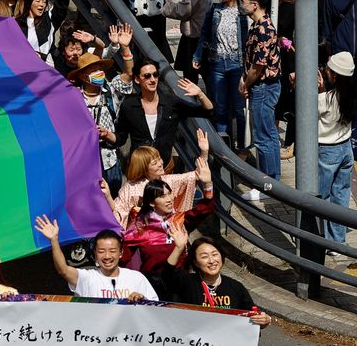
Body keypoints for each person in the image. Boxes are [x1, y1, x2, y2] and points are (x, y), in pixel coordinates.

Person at [120, 161, 214, 295]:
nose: (169, 199)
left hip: (181, 281)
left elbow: (205, 209)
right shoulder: (139, 227)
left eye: (169, 194)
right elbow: (122, 259)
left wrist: (208, 184)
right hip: (153, 285)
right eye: (162, 196)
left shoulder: (179, 220)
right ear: (152, 202)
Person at [67, 28, 135, 194]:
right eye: (94, 70)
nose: (100, 73)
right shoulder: (73, 98)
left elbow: (128, 73)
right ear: (83, 76)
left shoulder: (111, 90)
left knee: (112, 195)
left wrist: (125, 48)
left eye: (100, 69)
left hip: (109, 158)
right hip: (83, 160)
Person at [162, 231, 272, 326]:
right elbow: (166, 276)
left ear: (222, 256)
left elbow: (252, 319)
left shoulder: (236, 287)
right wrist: (179, 248)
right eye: (204, 257)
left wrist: (264, 321)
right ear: (195, 262)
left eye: (215, 254)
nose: (211, 260)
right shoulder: (188, 282)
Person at [111, 61, 212, 165]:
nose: (152, 80)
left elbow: (208, 112)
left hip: (164, 166)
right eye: (147, 76)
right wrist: (107, 135)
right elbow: (121, 137)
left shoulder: (171, 103)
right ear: (137, 79)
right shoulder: (129, 105)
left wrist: (200, 94)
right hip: (139, 166)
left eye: (155, 75)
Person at [35, 219, 159, 301]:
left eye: (112, 251)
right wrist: (54, 240)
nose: (107, 256)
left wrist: (142, 300)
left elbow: (155, 309)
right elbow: (63, 270)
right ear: (95, 254)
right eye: (101, 251)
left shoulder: (136, 278)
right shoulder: (87, 277)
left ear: (121, 253)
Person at [111, 130, 210, 227]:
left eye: (159, 159)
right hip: (142, 234)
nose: (160, 164)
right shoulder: (130, 189)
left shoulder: (168, 180)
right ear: (143, 168)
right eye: (155, 163)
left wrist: (204, 152)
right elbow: (118, 213)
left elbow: (197, 174)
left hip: (166, 230)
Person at [194, 0, 247, 146]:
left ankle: (243, 144)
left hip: (237, 63)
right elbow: (205, 33)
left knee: (240, 108)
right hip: (217, 62)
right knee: (220, 106)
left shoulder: (243, 13)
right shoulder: (216, 10)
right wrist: (197, 55)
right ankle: (223, 144)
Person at [240, 0, 282, 190]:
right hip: (263, 86)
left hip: (263, 87)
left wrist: (246, 83)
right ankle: (274, 181)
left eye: (243, 1)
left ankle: (268, 185)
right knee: (270, 134)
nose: (241, 5)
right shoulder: (259, 26)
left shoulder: (263, 29)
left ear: (254, 4)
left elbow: (259, 65)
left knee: (263, 138)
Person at [317, 52, 357, 242]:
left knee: (322, 197)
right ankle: (338, 241)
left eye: (328, 69)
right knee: (341, 196)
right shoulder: (352, 95)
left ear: (335, 75)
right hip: (346, 148)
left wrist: (319, 91)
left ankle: (322, 239)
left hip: (327, 150)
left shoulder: (326, 99)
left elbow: (307, 112)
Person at [161, 0, 208, 79]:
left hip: (192, 41)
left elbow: (177, 11)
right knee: (208, 76)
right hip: (208, 40)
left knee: (190, 77)